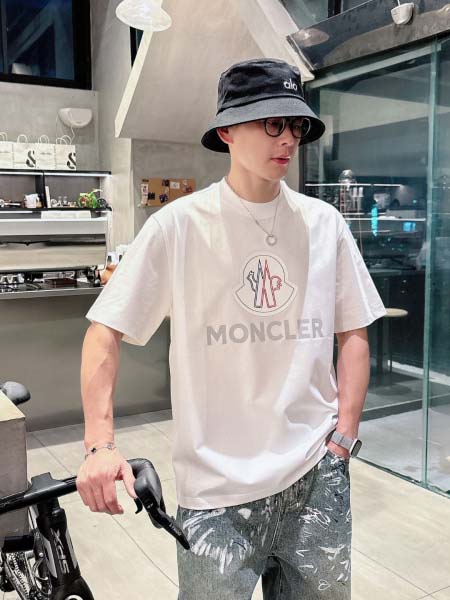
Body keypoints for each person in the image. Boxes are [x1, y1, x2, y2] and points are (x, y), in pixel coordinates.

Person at [76, 58, 387, 599]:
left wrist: (343, 440)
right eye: (272, 123)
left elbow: (353, 330)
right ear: (227, 131)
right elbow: (105, 331)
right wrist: (99, 445)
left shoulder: (324, 223)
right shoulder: (178, 226)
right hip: (215, 494)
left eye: (296, 126)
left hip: (315, 475)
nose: (287, 139)